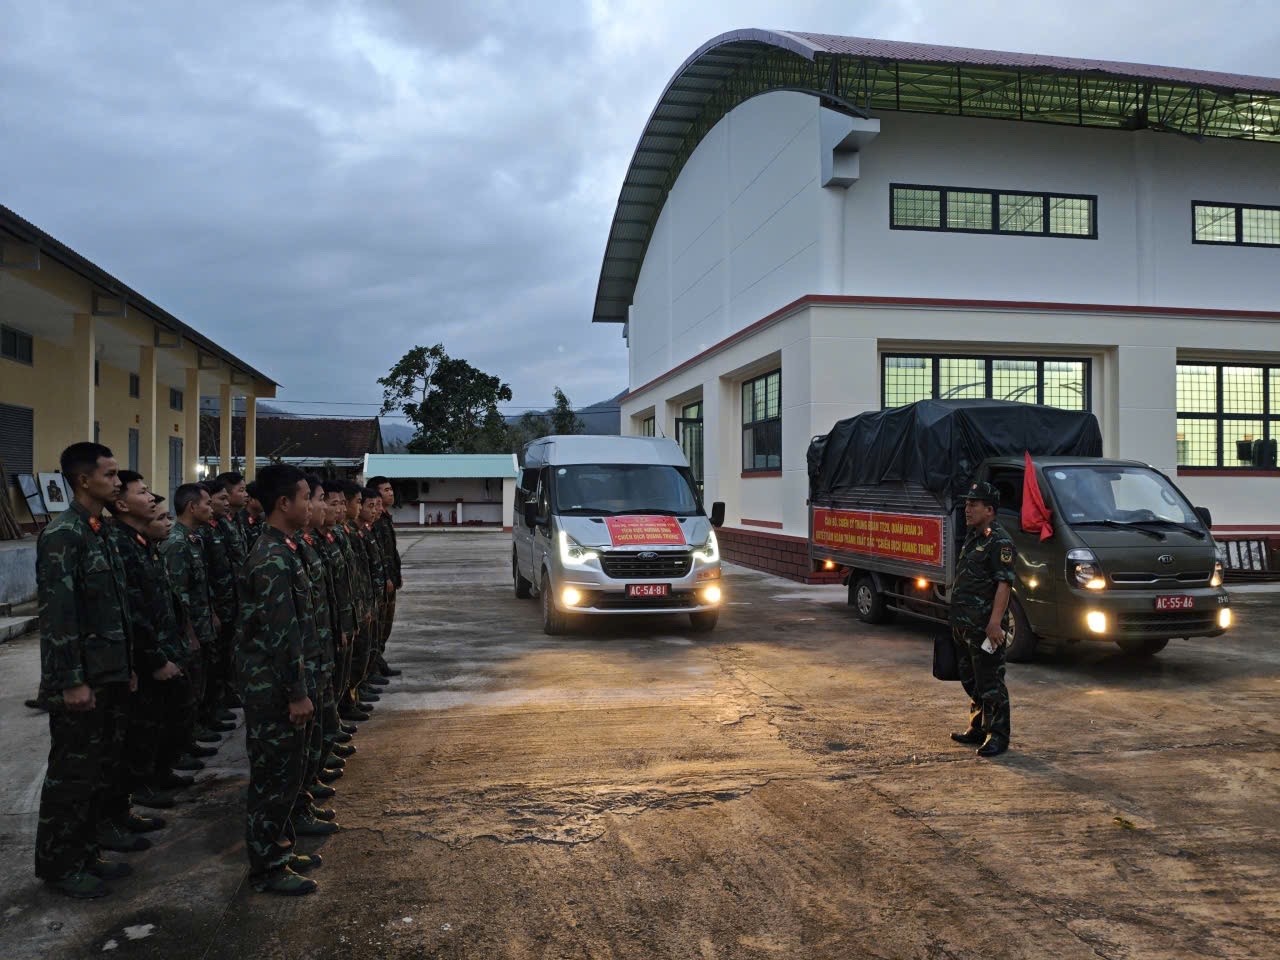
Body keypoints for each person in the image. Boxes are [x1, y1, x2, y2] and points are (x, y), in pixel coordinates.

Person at [33, 442, 135, 899]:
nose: (117, 482)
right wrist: (71, 680)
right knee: (71, 776)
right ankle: (59, 865)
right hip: (80, 680)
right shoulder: (63, 535)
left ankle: (86, 850)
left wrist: (125, 665)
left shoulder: (99, 531)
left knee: (97, 771)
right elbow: (60, 616)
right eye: (110, 475)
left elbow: (113, 609)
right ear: (84, 480)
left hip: (108, 672)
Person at [235, 463, 318, 895]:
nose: (311, 504)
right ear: (284, 503)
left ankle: (280, 845)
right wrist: (297, 692)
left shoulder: (283, 548)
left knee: (288, 772)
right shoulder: (269, 557)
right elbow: (281, 634)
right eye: (306, 497)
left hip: (278, 681)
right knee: (273, 776)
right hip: (270, 686)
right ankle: (267, 866)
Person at [105, 475, 188, 824]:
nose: (153, 498)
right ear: (122, 504)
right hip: (139, 659)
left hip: (159, 649)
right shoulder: (120, 545)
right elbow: (133, 612)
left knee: (156, 723)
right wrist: (154, 659)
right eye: (142, 493)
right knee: (137, 731)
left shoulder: (140, 543)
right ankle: (134, 794)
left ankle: (150, 780)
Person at [949, 480, 1015, 758]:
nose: (967, 509)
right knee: (970, 678)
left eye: (973, 504)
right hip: (965, 624)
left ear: (989, 509)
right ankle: (978, 726)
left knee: (991, 682)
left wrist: (995, 623)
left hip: (985, 627)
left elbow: (1004, 584)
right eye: (966, 503)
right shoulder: (974, 536)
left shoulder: (1000, 541)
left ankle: (998, 735)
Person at [160, 483, 220, 768]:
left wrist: (211, 616)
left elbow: (199, 588)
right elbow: (177, 595)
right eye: (207, 503)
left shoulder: (194, 539)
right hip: (187, 634)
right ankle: (176, 751)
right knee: (184, 694)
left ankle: (189, 739)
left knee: (198, 687)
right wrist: (189, 632)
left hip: (202, 625)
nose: (211, 508)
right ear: (191, 507)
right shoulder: (176, 542)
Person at [198, 478, 238, 734]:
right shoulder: (201, 532)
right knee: (208, 664)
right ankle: (207, 713)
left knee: (223, 657)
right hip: (213, 608)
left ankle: (220, 701)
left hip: (229, 602)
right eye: (220, 498)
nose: (225, 503)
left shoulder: (222, 526)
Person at [368, 476, 402, 679]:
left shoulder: (385, 518)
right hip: (382, 582)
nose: (391, 493)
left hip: (390, 579)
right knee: (379, 626)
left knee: (384, 626)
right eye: (386, 490)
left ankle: (378, 663)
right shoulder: (376, 521)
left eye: (391, 489)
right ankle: (373, 667)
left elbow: (391, 552)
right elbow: (379, 554)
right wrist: (387, 577)